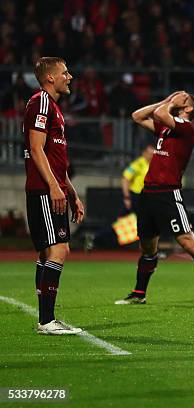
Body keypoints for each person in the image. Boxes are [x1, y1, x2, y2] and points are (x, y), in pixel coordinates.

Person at [115, 91, 194, 307]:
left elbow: (159, 113)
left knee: (187, 241)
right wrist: (168, 101)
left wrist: (169, 102)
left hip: (168, 193)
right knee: (147, 246)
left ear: (189, 109)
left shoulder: (187, 128)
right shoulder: (166, 129)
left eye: (182, 98)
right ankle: (139, 293)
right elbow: (137, 116)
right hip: (148, 193)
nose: (177, 98)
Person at [24, 57, 85, 335]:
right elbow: (36, 149)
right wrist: (53, 186)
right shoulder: (42, 102)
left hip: (51, 187)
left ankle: (45, 318)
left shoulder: (53, 108)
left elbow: (55, 157)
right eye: (65, 72)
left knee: (49, 250)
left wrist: (70, 191)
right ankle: (47, 321)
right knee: (59, 250)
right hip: (44, 189)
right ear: (50, 78)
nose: (69, 77)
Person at [121, 144, 154, 214]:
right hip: (136, 196)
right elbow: (125, 179)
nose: (152, 156)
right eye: (150, 153)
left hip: (148, 196)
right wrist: (127, 197)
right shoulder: (138, 164)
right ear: (144, 153)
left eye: (153, 154)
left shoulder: (154, 164)